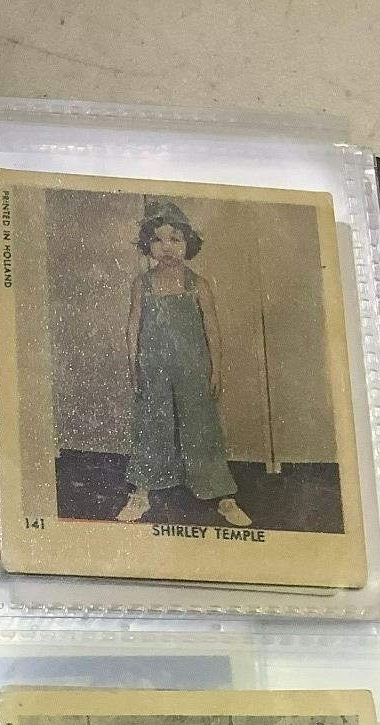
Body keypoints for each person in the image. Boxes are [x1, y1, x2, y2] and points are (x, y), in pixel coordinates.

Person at [117, 200, 252, 530]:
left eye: (175, 239)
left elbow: (212, 330)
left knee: (202, 426)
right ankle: (141, 492)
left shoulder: (198, 285)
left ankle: (223, 496)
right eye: (158, 239)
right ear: (148, 245)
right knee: (152, 423)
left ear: (188, 244)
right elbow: (133, 327)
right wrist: (134, 365)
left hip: (193, 368)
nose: (167, 247)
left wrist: (215, 368)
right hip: (154, 368)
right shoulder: (142, 285)